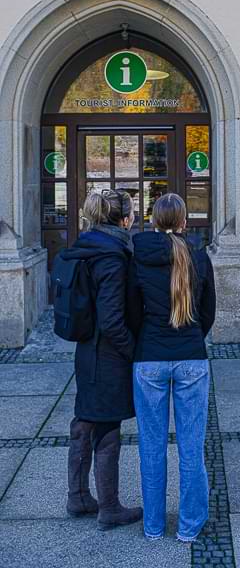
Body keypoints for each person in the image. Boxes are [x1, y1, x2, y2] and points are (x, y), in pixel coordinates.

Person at [128, 192, 216, 542]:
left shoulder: (138, 257)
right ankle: (189, 526)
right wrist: (192, 335)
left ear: (153, 221)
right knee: (191, 446)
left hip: (149, 357)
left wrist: (146, 339)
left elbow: (132, 311)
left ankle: (153, 526)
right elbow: (208, 311)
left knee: (151, 447)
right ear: (183, 221)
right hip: (191, 357)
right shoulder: (197, 255)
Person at [62, 189, 143, 531]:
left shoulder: (87, 245)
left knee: (84, 421)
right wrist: (133, 352)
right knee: (107, 426)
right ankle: (108, 507)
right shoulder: (112, 255)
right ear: (124, 219)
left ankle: (79, 496)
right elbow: (111, 319)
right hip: (107, 353)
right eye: (133, 213)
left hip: (86, 349)